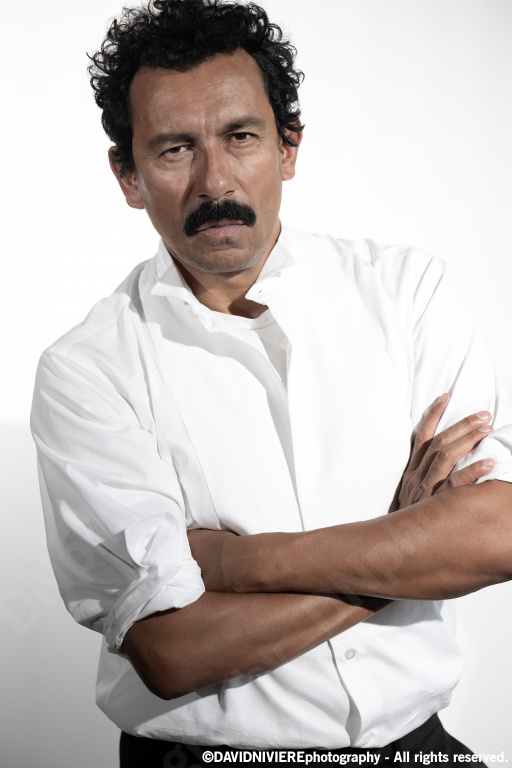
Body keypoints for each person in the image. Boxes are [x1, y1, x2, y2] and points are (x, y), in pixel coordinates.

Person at [30, 1, 512, 766]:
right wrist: (406, 538)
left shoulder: (408, 292)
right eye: (174, 149)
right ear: (127, 176)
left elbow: (497, 532)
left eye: (241, 137)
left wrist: (236, 565)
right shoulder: (87, 369)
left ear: (289, 148)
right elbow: (174, 650)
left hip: (418, 747)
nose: (215, 181)